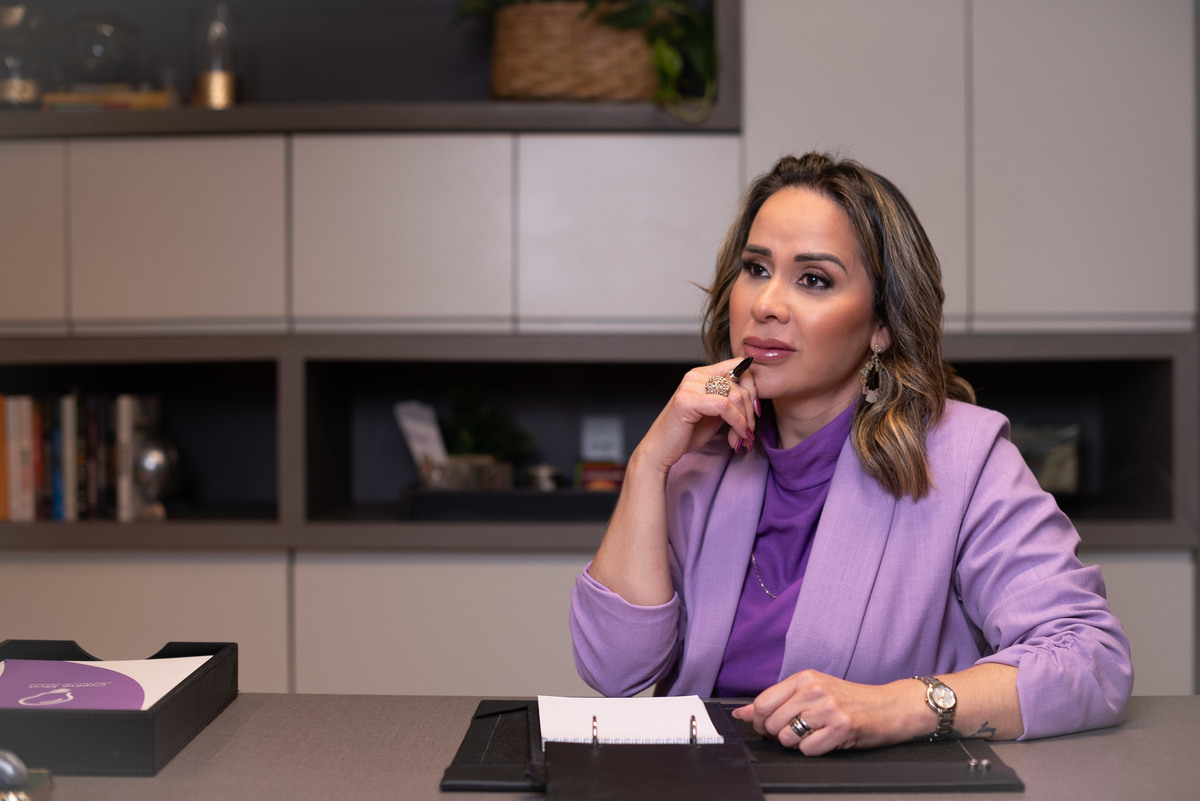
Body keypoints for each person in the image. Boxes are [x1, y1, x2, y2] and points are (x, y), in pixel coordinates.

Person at [569, 152, 1133, 755]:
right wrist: (649, 463)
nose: (767, 304)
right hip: (704, 782)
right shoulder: (695, 458)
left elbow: (1090, 659)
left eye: (813, 279)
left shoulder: (966, 457)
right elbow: (615, 670)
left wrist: (893, 707)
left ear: (881, 324)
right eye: (756, 268)